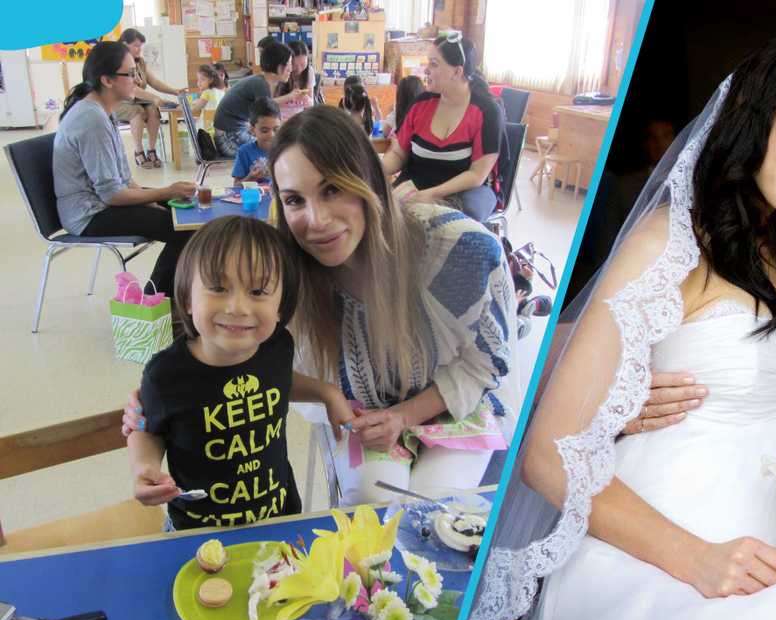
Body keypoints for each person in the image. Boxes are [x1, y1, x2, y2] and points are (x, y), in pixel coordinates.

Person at [471, 30, 776, 620]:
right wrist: (696, 558)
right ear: (755, 113)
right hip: (664, 556)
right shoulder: (673, 243)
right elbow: (547, 456)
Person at [123, 106, 521, 506]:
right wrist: (154, 400)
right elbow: (238, 356)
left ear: (369, 180)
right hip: (361, 416)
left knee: (436, 506)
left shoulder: (458, 253)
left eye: (332, 190)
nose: (316, 220)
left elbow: (487, 363)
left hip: (455, 403)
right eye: (295, 199)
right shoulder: (283, 274)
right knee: (373, 503)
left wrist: (404, 416)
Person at [127, 216, 350, 531]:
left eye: (258, 291)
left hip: (279, 517)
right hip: (199, 532)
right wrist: (144, 468)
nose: (237, 307)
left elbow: (278, 383)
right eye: (218, 288)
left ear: (281, 306)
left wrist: (327, 392)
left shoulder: (277, 347)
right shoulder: (167, 375)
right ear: (187, 298)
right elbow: (147, 428)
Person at [53, 41, 196, 294]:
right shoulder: (91, 119)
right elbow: (112, 194)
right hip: (90, 214)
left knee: (187, 214)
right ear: (107, 80)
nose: (137, 80)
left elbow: (123, 177)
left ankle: (167, 295)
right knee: (185, 229)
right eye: (130, 74)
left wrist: (151, 199)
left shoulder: (102, 110)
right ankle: (156, 298)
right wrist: (165, 192)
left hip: (103, 203)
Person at [380, 34, 503, 222]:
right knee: (379, 209)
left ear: (457, 72)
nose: (426, 70)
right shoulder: (421, 104)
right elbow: (398, 154)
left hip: (465, 191)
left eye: (434, 64)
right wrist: (374, 170)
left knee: (452, 220)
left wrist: (431, 194)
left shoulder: (487, 111)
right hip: (418, 185)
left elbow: (477, 174)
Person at [213, 42, 303, 157]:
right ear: (279, 67)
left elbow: (268, 109)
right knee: (276, 149)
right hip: (229, 139)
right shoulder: (261, 85)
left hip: (230, 134)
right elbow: (268, 119)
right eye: (289, 64)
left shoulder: (260, 81)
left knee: (277, 145)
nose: (291, 69)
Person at [116, 28, 184, 169]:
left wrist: (174, 91)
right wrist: (155, 98)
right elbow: (132, 88)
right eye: (136, 45)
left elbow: (154, 82)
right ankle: (138, 151)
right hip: (119, 101)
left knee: (153, 110)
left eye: (140, 46)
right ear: (124, 44)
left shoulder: (140, 62)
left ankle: (151, 150)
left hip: (136, 99)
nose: (139, 49)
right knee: (137, 112)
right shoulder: (118, 62)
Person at [232, 98, 281, 185]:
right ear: (252, 130)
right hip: (254, 193)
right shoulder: (244, 152)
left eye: (276, 129)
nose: (271, 135)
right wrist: (251, 177)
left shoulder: (285, 150)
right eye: (264, 130)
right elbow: (236, 186)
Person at [276, 40, 316, 120]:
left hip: (298, 119)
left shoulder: (309, 71)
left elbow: (311, 104)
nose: (299, 69)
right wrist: (290, 97)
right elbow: (269, 104)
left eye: (303, 64)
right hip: (279, 119)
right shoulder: (279, 71)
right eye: (294, 65)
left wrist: (307, 100)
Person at [189, 64, 226, 131]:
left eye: (203, 80)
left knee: (191, 124)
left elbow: (195, 108)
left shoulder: (207, 93)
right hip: (220, 127)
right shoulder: (221, 92)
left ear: (211, 80)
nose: (199, 83)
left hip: (208, 129)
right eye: (198, 80)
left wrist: (184, 108)